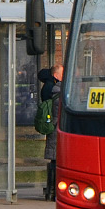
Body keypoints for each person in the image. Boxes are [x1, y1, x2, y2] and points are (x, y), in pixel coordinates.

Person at [39, 65, 62, 201]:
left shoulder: (49, 87)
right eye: (62, 74)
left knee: (55, 158)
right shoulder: (56, 89)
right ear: (56, 76)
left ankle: (51, 190)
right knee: (55, 158)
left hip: (53, 127)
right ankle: (53, 191)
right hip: (56, 127)